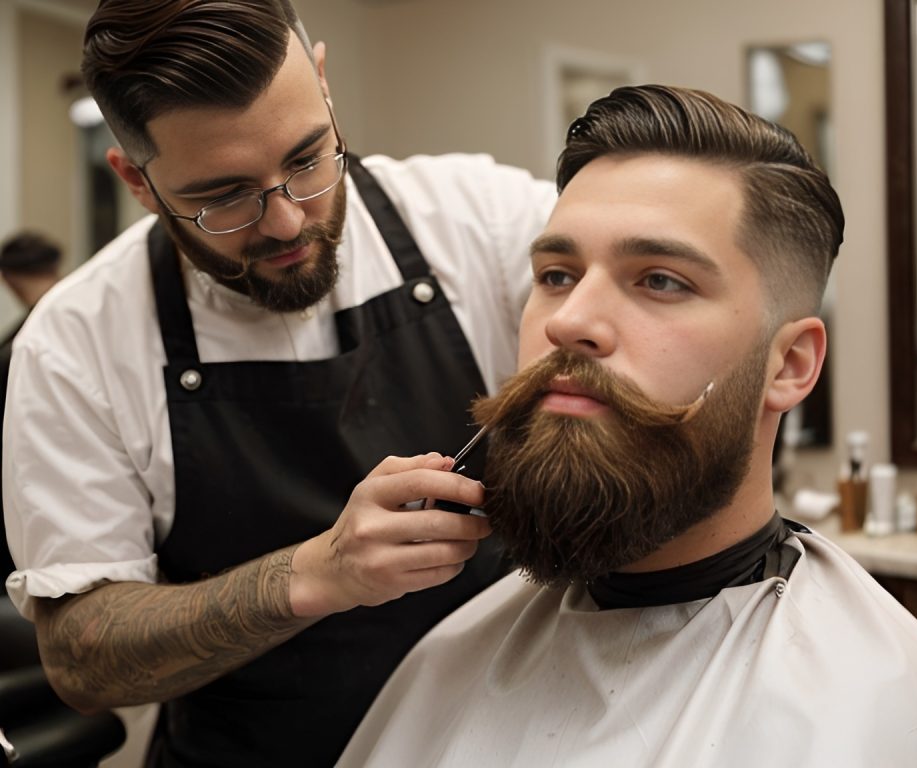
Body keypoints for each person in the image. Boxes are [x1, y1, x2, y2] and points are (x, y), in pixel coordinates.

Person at [336, 86, 917, 767]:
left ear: (788, 365)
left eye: (660, 280)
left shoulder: (877, 720)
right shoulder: (454, 655)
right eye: (555, 273)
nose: (569, 320)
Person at [2, 1, 554, 765]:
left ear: (323, 88)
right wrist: (317, 573)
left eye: (307, 159)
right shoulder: (75, 344)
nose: (289, 222)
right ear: (136, 179)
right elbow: (81, 661)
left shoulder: (478, 219)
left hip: (503, 736)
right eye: (224, 196)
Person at [0, 232, 63, 578]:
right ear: (55, 266)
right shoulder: (81, 323)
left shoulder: (24, 343)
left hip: (32, 486)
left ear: (6, 278)